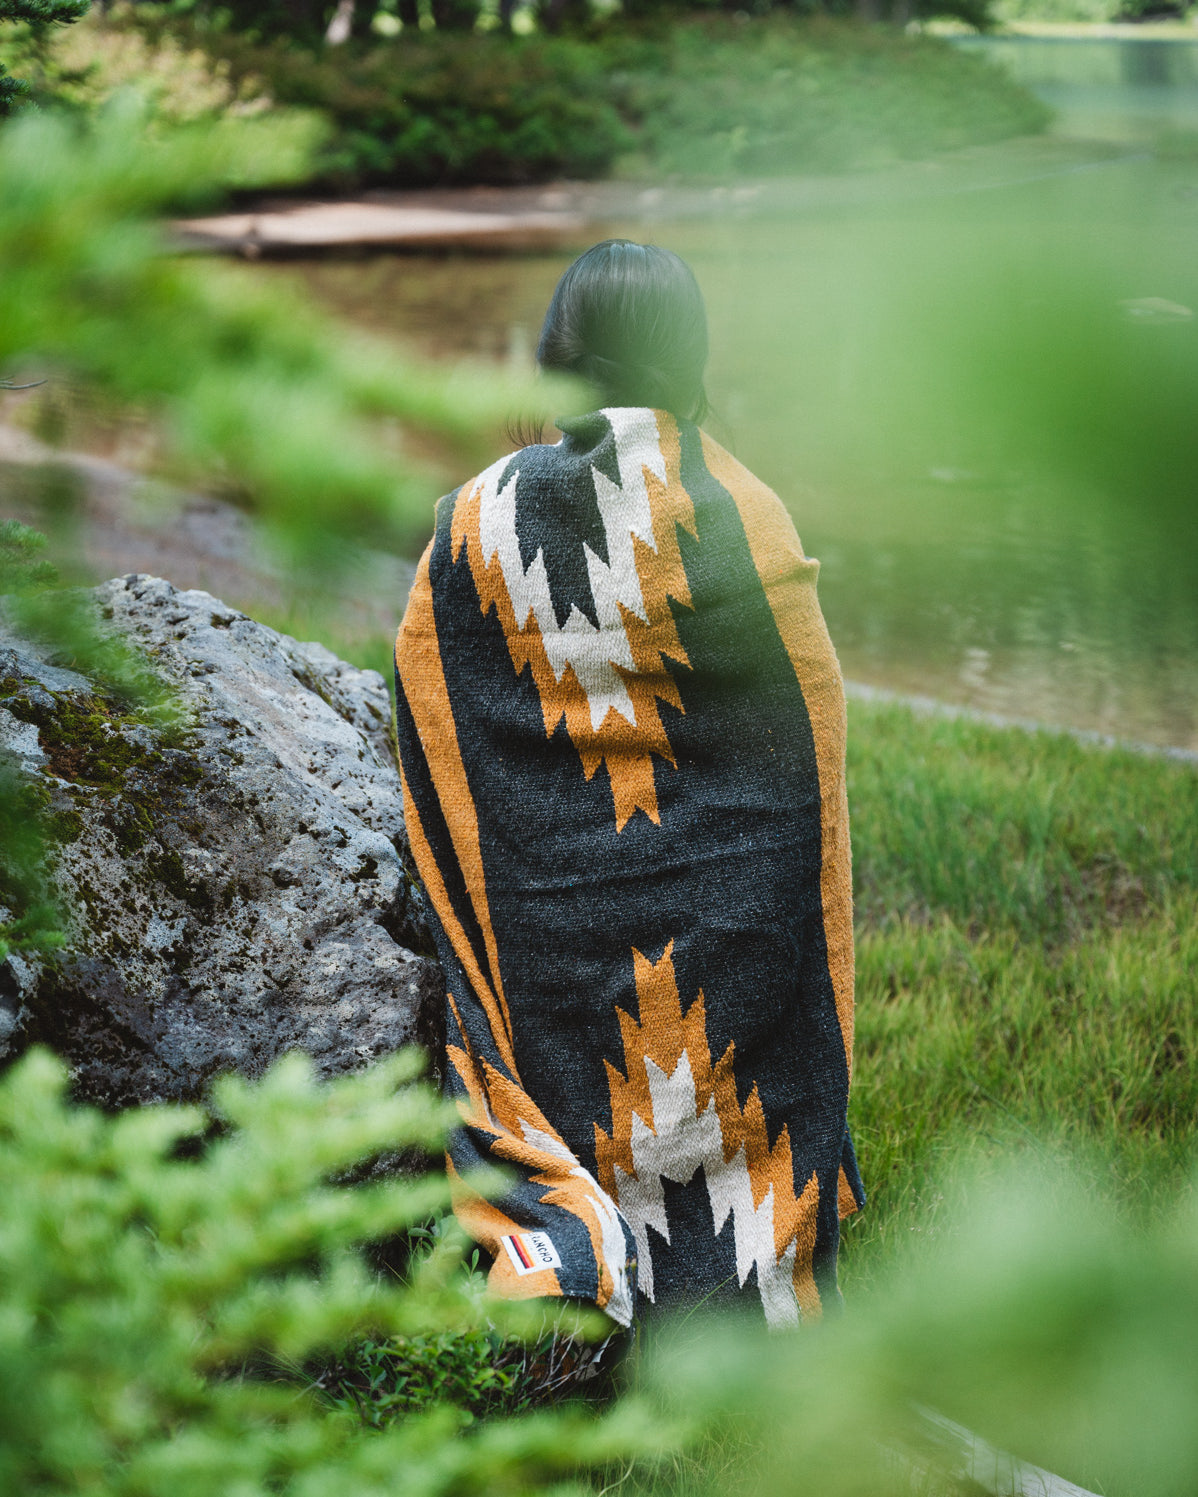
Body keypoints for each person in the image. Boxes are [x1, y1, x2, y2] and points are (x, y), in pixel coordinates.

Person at [393, 239, 863, 1333]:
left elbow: (437, 732)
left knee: (565, 1026)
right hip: (735, 982)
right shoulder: (743, 518)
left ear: (556, 359)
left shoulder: (471, 526)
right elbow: (807, 792)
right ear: (690, 363)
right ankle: (751, 1242)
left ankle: (584, 1240)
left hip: (555, 985)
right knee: (759, 952)